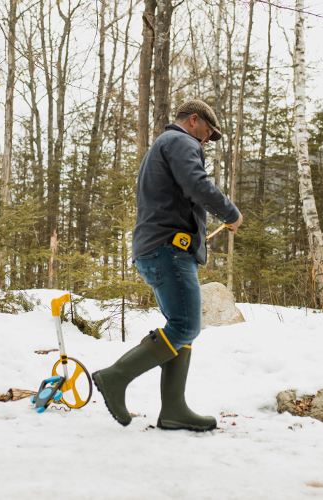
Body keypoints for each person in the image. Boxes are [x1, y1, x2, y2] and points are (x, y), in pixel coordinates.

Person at [93, 100, 242, 431]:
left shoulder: (165, 146)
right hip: (168, 250)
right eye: (208, 133)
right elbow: (197, 186)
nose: (207, 141)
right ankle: (114, 378)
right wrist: (231, 214)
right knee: (186, 326)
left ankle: (174, 409)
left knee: (182, 327)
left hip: (160, 249)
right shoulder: (180, 141)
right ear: (194, 120)